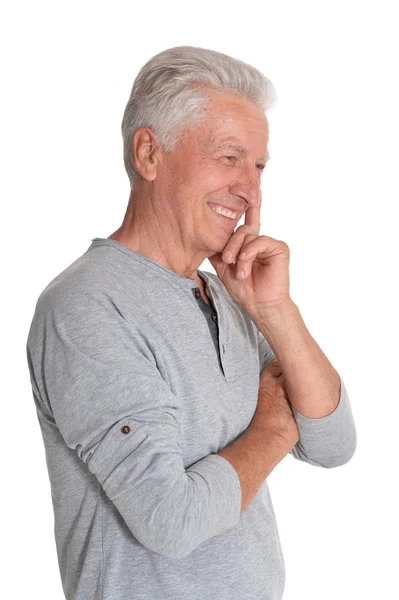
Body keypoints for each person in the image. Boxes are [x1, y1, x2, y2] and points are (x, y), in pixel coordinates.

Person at [26, 45, 357, 600]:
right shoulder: (86, 307)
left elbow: (333, 443)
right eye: (229, 158)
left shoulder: (229, 295)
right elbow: (170, 520)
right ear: (150, 153)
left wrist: (275, 311)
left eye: (258, 167)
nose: (249, 191)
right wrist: (275, 428)